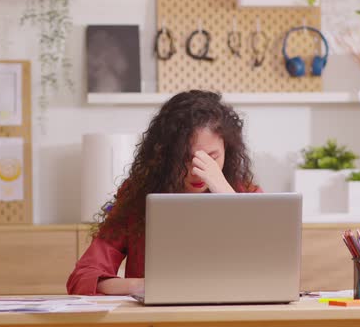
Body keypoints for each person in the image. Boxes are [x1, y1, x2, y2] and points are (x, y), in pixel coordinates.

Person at [67, 90, 261, 295]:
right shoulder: (138, 196)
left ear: (227, 152)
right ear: (165, 156)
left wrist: (228, 199)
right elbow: (83, 277)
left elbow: (270, 273)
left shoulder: (245, 193)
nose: (197, 171)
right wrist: (141, 286)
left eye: (212, 158)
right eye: (185, 158)